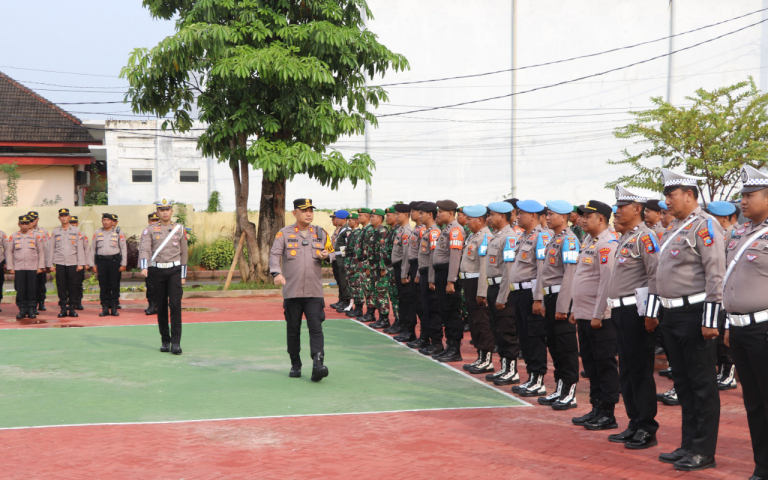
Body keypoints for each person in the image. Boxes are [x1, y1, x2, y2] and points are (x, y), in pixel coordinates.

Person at [646, 168, 724, 472]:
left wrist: (711, 319)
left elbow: (715, 274)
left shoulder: (705, 227)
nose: (667, 201)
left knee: (702, 384)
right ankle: (689, 444)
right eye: (666, 195)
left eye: (671, 195)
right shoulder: (675, 228)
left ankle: (704, 450)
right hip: (671, 314)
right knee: (684, 383)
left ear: (689, 195)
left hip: (695, 314)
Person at [602, 186, 660, 449]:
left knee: (640, 370)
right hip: (620, 310)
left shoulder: (645, 238)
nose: (616, 212)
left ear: (637, 209)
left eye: (622, 207)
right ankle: (634, 422)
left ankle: (647, 427)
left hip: (636, 312)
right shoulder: (626, 237)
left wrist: (651, 314)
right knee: (626, 369)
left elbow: (654, 275)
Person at [723, 165, 768, 480]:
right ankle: (762, 467)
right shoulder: (739, 233)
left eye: (750, 195)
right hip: (739, 329)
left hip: (764, 329)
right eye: (742, 195)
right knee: (753, 403)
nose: (743, 201)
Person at [560, 200, 620, 431]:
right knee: (591, 363)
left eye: (587, 217)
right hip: (585, 314)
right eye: (582, 216)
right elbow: (582, 279)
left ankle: (608, 412)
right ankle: (596, 407)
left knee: (604, 364)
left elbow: (606, 282)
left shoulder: (607, 244)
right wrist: (576, 310)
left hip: (600, 318)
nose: (582, 220)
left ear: (601, 219)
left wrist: (598, 313)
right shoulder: (589, 241)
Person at [269, 198, 330, 382]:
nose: (309, 214)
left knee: (316, 328)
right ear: (295, 213)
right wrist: (276, 273)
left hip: (314, 292)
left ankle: (318, 363)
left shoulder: (321, 233)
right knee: (293, 330)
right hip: (292, 292)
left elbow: (333, 253)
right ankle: (295, 364)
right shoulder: (284, 234)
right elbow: (274, 254)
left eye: (311, 210)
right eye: (304, 211)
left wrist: (328, 256)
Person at [536, 200, 580, 410]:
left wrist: (563, 306)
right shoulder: (554, 239)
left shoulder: (569, 241)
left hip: (563, 299)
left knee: (566, 346)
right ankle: (560, 387)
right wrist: (545, 301)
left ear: (564, 217)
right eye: (547, 214)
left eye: (552, 214)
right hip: (551, 297)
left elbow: (569, 276)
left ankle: (570, 392)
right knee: (554, 345)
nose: (548, 217)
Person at [507, 199, 551, 396]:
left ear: (533, 215)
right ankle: (531, 376)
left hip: (530, 293)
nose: (517, 217)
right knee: (524, 337)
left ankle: (538, 379)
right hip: (519, 292)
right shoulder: (524, 236)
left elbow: (542, 269)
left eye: (521, 214)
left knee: (534, 337)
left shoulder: (541, 237)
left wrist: (538, 298)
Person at [477, 201, 522, 385]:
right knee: (497, 330)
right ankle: (504, 367)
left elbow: (508, 270)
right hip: (493, 286)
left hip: (503, 289)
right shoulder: (496, 236)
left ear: (502, 216)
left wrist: (502, 296)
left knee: (507, 331)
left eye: (492, 215)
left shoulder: (510, 237)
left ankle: (512, 371)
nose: (488, 218)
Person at [139, 198, 189, 355]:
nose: (165, 212)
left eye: (167, 210)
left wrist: (183, 275)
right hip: (157, 272)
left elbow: (184, 253)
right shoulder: (150, 230)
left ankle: (176, 343)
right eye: (162, 210)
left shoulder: (179, 229)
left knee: (175, 305)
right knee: (161, 307)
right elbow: (145, 248)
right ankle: (165, 340)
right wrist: (144, 266)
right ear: (158, 212)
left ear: (171, 212)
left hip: (174, 271)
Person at [707, 200, 740, 391]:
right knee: (719, 335)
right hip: (721, 290)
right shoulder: (721, 234)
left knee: (725, 337)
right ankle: (723, 371)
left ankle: (729, 374)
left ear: (727, 217)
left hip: (729, 291)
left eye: (715, 217)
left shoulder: (733, 234)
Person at [428, 200, 465, 362]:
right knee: (444, 311)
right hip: (441, 273)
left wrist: (451, 280)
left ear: (451, 213)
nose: (438, 215)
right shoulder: (447, 229)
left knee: (451, 312)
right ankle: (449, 346)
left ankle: (455, 349)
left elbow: (455, 257)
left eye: (441, 211)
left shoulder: (455, 230)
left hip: (448, 274)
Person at [459, 205, 494, 373]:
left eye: (469, 219)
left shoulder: (485, 237)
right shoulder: (474, 236)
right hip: (468, 282)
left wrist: (482, 291)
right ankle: (480, 356)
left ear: (480, 220)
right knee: (474, 322)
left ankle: (487, 359)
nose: (466, 222)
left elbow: (484, 268)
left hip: (477, 283)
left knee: (482, 322)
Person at [414, 202, 442, 356]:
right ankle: (431, 341)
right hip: (424, 273)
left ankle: (437, 343)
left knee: (432, 310)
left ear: (430, 214)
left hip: (430, 274)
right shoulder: (427, 231)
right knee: (426, 309)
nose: (419, 216)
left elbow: (433, 258)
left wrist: (431, 278)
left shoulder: (434, 233)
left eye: (421, 213)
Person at [49, 208, 87, 318]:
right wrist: (50, 264)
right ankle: (63, 308)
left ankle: (72, 308)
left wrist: (81, 264)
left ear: (69, 217)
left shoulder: (76, 232)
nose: (64, 217)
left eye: (66, 216)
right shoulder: (56, 232)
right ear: (59, 218)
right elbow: (52, 248)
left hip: (72, 262)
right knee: (61, 286)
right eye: (62, 216)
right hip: (60, 262)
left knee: (73, 286)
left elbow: (80, 249)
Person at [7, 215, 45, 319]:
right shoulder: (13, 236)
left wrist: (40, 266)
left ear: (29, 225)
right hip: (19, 267)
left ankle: (32, 309)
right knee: (20, 289)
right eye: (22, 224)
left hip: (32, 267)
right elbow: (9, 252)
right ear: (19, 224)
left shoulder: (36, 236)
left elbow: (41, 252)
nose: (24, 226)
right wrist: (11, 267)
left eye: (26, 223)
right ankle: (22, 309)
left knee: (32, 289)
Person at [401, 201, 428, 345]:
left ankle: (425, 337)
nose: (411, 214)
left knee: (421, 305)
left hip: (419, 267)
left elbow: (422, 255)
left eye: (414, 212)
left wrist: (417, 273)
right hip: (413, 266)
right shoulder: (416, 229)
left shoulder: (423, 230)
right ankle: (419, 336)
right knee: (416, 305)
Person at [91, 213, 127, 317]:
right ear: (102, 221)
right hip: (101, 261)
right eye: (104, 220)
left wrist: (123, 263)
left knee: (114, 285)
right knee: (103, 285)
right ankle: (105, 307)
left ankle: (114, 307)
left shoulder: (119, 232)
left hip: (114, 261)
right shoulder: (97, 232)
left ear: (112, 222)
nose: (106, 222)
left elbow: (123, 249)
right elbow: (93, 249)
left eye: (108, 220)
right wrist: (92, 264)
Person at [387, 204, 413, 336]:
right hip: (397, 268)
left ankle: (409, 330)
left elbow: (406, 255)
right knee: (402, 300)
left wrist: (404, 273)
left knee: (406, 301)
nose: (395, 216)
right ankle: (404, 326)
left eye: (398, 214)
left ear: (406, 215)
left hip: (403, 268)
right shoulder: (400, 230)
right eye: (395, 214)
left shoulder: (407, 232)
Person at [366, 208, 391, 327]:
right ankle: (380, 317)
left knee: (381, 292)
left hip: (379, 267)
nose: (371, 219)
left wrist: (382, 268)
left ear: (380, 219)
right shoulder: (375, 231)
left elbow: (383, 251)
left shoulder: (382, 231)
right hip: (373, 266)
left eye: (373, 217)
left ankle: (385, 319)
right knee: (376, 292)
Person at [378, 206, 401, 332]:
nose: (387, 218)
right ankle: (397, 321)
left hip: (394, 268)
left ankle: (400, 322)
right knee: (393, 296)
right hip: (389, 268)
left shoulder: (398, 231)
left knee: (397, 297)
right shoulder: (391, 230)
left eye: (389, 215)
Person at [27, 211, 50, 314]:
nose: (32, 222)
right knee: (31, 285)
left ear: (38, 219)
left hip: (40, 262)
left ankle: (41, 302)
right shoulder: (25, 231)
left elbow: (46, 248)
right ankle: (32, 305)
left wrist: (46, 264)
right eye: (30, 220)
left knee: (41, 284)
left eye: (34, 219)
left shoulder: (43, 232)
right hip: (29, 263)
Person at [356, 208, 376, 322]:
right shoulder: (364, 229)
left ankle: (371, 312)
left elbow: (370, 249)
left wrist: (368, 266)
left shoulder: (369, 230)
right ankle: (368, 311)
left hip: (366, 263)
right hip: (362, 263)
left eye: (360, 215)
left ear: (367, 217)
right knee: (365, 288)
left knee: (369, 289)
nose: (358, 218)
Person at [344, 211, 364, 317]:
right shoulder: (352, 233)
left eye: (351, 220)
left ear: (356, 221)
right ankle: (356, 307)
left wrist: (354, 266)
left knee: (356, 286)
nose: (348, 222)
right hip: (349, 262)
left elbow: (356, 251)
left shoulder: (358, 233)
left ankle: (359, 308)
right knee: (352, 286)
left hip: (354, 264)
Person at [69, 215, 87, 310]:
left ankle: (78, 302)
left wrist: (87, 263)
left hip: (79, 263)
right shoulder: (66, 234)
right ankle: (70, 302)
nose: (73, 225)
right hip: (69, 263)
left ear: (77, 223)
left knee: (78, 284)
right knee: (69, 284)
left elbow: (86, 249)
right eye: (71, 223)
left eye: (74, 223)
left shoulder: (82, 235)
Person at [144, 212, 160, 315]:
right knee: (150, 286)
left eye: (156, 220)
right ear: (149, 221)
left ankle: (159, 305)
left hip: (160, 263)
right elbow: (143, 249)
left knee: (160, 286)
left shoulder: (162, 232)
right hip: (149, 264)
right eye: (152, 220)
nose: (153, 222)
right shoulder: (146, 232)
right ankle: (151, 305)